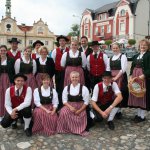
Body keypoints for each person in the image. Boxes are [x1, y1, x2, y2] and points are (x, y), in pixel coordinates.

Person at [57, 71, 89, 136]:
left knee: (80, 115)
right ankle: (66, 128)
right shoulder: (66, 88)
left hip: (80, 105)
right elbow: (64, 101)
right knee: (63, 112)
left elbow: (86, 102)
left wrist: (79, 110)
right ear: (70, 78)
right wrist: (70, 107)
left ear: (79, 78)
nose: (74, 79)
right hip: (69, 105)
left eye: (76, 77)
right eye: (73, 77)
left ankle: (77, 129)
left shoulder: (84, 88)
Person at [128, 39, 150, 123]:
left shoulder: (148, 55)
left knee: (142, 95)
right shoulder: (136, 55)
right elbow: (132, 67)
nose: (143, 47)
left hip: (143, 78)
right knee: (137, 93)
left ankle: (142, 116)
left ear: (148, 47)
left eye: (145, 45)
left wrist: (144, 75)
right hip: (135, 77)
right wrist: (130, 76)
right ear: (139, 46)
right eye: (141, 45)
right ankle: (138, 115)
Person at [108, 42, 128, 119]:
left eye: (116, 48)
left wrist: (116, 77)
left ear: (119, 48)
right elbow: (108, 69)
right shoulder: (110, 58)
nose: (115, 49)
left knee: (120, 92)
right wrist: (109, 77)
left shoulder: (123, 57)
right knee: (113, 93)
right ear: (112, 49)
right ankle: (114, 109)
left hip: (120, 77)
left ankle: (119, 111)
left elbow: (123, 69)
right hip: (112, 77)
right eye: (114, 48)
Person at [51, 35, 69, 108]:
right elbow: (53, 61)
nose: (62, 42)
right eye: (60, 41)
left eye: (63, 41)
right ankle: (59, 104)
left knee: (66, 87)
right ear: (59, 42)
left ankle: (66, 103)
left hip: (66, 72)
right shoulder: (55, 50)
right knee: (58, 88)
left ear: (65, 42)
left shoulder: (69, 50)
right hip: (58, 72)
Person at [0, 45, 15, 122]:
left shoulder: (11, 60)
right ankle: (1, 114)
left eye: (4, 50)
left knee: (9, 97)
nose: (2, 52)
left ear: (6, 51)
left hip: (8, 80)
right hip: (0, 80)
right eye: (1, 50)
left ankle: (9, 114)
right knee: (1, 97)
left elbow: (14, 71)